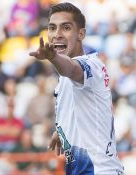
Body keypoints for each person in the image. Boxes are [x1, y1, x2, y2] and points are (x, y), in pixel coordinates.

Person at [29, 2, 124, 174]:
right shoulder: (63, 79)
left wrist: (52, 57)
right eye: (52, 28)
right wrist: (61, 130)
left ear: (81, 34)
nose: (57, 34)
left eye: (65, 28)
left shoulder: (92, 65)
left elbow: (72, 69)